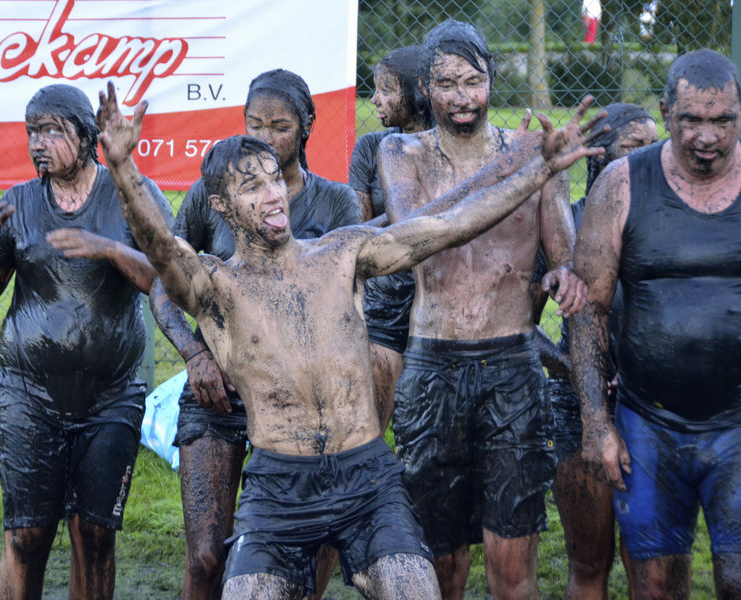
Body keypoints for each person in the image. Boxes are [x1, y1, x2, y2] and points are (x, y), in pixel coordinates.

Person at [95, 79, 602, 599]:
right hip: (278, 488)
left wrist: (539, 170)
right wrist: (122, 168)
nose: (273, 196)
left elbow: (450, 225)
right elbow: (160, 246)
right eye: (252, 188)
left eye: (274, 180)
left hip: (366, 478)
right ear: (220, 206)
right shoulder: (214, 286)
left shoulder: (342, 254)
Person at [379, 20, 589, 600]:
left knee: (512, 566)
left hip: (512, 367)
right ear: (425, 87)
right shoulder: (401, 151)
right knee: (441, 565)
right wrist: (514, 170)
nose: (462, 97)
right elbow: (415, 233)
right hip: (432, 365)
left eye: (473, 82)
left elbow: (562, 256)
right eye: (446, 83)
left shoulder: (531, 153)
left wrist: (563, 276)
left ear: (492, 81)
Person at [148, 68, 360, 600]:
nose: (264, 138)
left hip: (301, 405)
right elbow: (163, 280)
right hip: (216, 391)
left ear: (308, 126)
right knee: (204, 558)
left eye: (280, 126)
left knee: (299, 566)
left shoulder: (336, 204)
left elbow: (352, 307)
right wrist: (194, 353)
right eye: (254, 124)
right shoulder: (212, 192)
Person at [0, 84, 172, 600]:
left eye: (53, 130)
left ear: (87, 136)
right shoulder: (19, 202)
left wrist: (108, 250)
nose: (39, 143)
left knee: (95, 535)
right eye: (33, 131)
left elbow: (170, 277)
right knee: (27, 534)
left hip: (110, 396)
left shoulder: (131, 197)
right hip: (28, 395)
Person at [571, 48, 741, 599]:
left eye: (723, 121)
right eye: (693, 119)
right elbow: (589, 312)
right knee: (657, 588)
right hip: (649, 422)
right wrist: (598, 425)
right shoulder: (622, 184)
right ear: (666, 112)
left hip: (740, 424)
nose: (708, 137)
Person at [538, 103, 658, 599]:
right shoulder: (567, 225)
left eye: (656, 145)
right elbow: (516, 325)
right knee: (588, 563)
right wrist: (569, 368)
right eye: (635, 148)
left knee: (648, 563)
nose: (651, 158)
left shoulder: (670, 225)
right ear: (600, 156)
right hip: (576, 407)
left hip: (651, 406)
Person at [349, 45, 433, 431]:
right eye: (374, 89)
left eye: (385, 89)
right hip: (384, 294)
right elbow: (360, 229)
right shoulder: (371, 147)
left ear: (417, 91)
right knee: (369, 424)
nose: (375, 99)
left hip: (433, 285)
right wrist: (407, 215)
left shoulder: (446, 146)